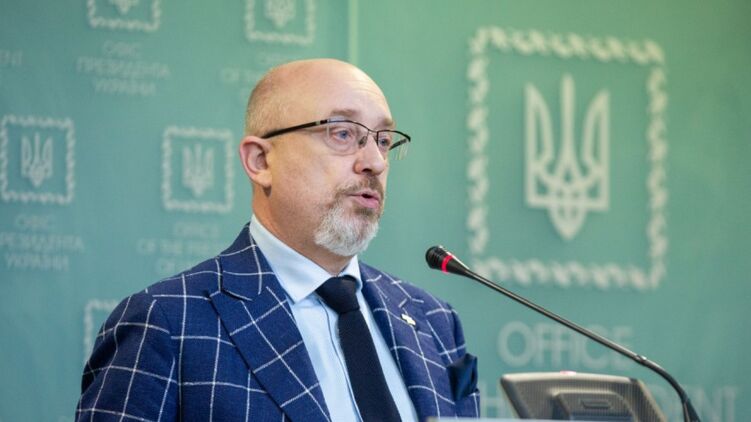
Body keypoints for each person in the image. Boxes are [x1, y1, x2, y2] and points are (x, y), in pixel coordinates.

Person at [76, 58, 479, 421]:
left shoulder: (434, 321)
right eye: (342, 133)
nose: (374, 161)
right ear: (260, 161)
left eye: (384, 140)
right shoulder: (167, 322)